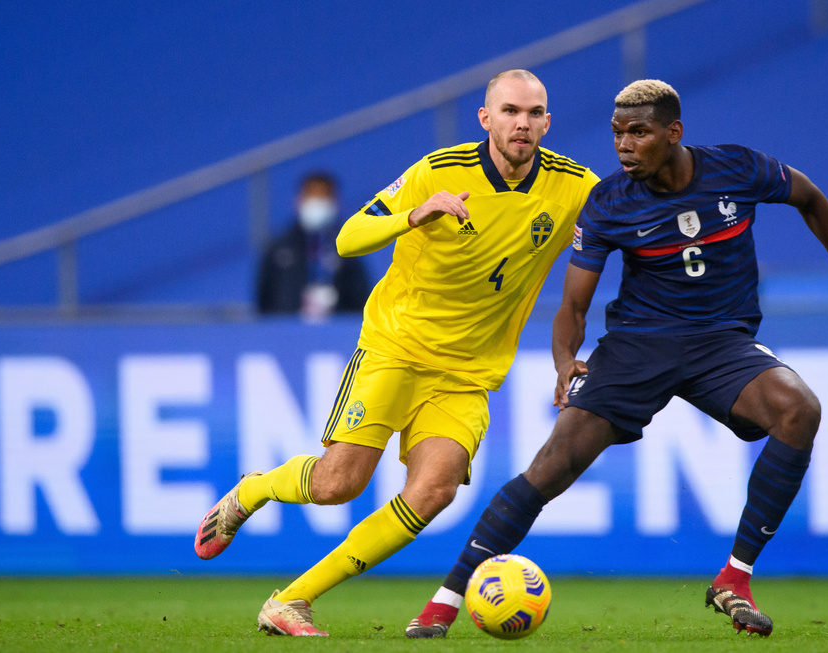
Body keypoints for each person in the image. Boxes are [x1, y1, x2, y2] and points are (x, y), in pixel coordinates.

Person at [406, 79, 828, 639]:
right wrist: (565, 359)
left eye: (638, 133)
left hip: (721, 343)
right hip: (638, 346)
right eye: (617, 133)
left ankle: (734, 578)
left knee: (800, 410)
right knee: (551, 466)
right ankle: (444, 602)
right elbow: (573, 306)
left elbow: (810, 197)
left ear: (673, 132)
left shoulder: (738, 169)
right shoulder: (609, 203)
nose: (624, 145)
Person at [194, 69, 600, 636]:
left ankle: (292, 600)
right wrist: (414, 215)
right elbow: (348, 237)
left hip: (467, 373)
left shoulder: (575, 186)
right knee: (338, 484)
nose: (522, 124)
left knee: (433, 491)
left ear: (547, 122)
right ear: (485, 118)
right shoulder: (438, 171)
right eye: (509, 111)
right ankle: (254, 489)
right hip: (396, 347)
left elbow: (628, 225)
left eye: (534, 113)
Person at [255, 171, 371, 318]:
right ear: (299, 200)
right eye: (312, 196)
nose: (317, 202)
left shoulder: (349, 244)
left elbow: (361, 296)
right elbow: (263, 298)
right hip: (286, 328)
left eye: (323, 197)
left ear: (335, 202)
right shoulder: (278, 247)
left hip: (337, 328)